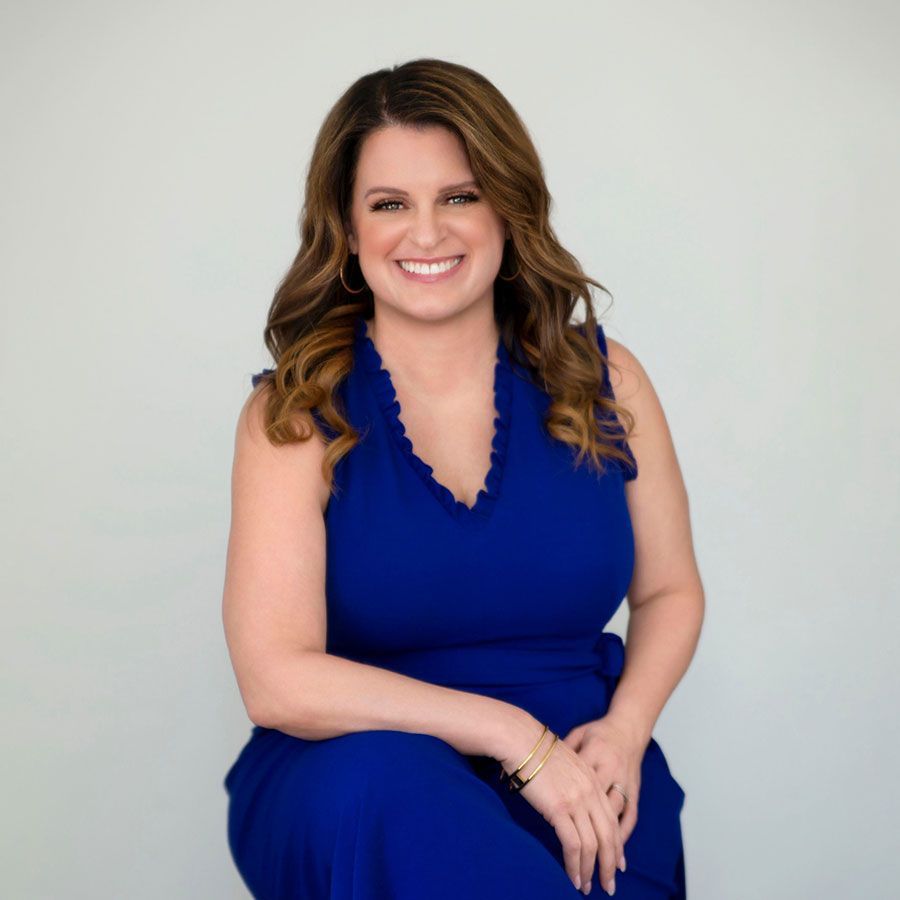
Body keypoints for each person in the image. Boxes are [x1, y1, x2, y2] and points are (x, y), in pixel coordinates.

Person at [221, 57, 704, 900]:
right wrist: (512, 737)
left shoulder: (607, 380)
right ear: (347, 229)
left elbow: (669, 593)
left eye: (458, 196)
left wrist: (625, 732)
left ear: (507, 210)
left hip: (587, 777)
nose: (427, 233)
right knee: (391, 785)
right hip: (360, 778)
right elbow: (276, 678)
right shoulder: (295, 414)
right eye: (389, 204)